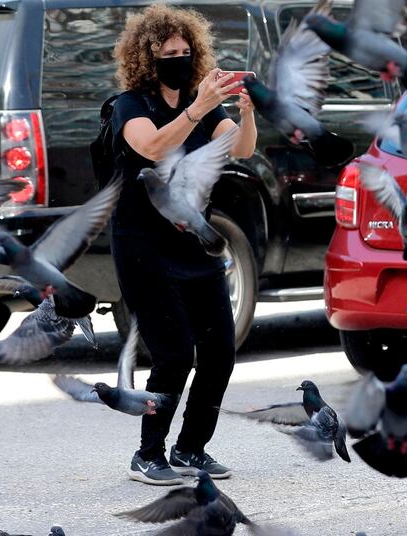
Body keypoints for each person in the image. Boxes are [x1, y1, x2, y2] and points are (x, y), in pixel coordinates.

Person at [110, 4, 257, 485]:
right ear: (145, 57)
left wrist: (246, 113)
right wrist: (196, 109)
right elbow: (150, 147)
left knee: (219, 351)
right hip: (142, 249)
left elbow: (242, 147)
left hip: (193, 242)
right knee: (173, 355)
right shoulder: (130, 105)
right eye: (167, 51)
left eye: (184, 50)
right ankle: (148, 456)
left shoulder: (203, 104)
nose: (178, 57)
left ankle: (192, 449)